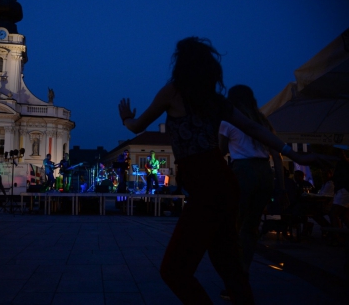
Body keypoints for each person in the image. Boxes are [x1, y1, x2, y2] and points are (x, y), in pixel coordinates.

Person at [118, 37, 336, 304]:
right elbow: (255, 128)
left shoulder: (173, 92)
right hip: (224, 183)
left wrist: (126, 118)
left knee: (174, 270)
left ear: (181, 64)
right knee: (228, 266)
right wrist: (294, 153)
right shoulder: (216, 101)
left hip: (207, 188)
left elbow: (138, 126)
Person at [218, 84, 284, 300]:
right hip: (264, 173)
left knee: (232, 227)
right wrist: (280, 186)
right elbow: (276, 155)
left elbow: (220, 151)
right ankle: (244, 272)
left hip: (243, 171)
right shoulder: (263, 122)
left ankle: (235, 281)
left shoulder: (228, 120)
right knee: (251, 228)